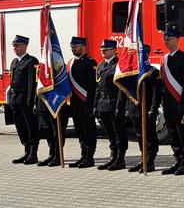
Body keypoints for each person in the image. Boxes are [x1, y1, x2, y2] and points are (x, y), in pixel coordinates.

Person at [160, 27, 184, 176]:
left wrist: (183, 103)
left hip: (180, 103)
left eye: (170, 39)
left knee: (183, 133)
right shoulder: (164, 59)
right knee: (173, 133)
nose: (167, 42)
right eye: (165, 39)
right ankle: (177, 160)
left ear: (177, 40)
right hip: (168, 103)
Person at [125, 45, 161, 173]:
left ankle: (150, 161)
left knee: (150, 136)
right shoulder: (133, 71)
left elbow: (158, 93)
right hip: (135, 109)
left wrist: (153, 109)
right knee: (140, 136)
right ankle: (143, 158)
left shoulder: (153, 72)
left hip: (147, 110)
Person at [95, 39, 128, 170]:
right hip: (102, 103)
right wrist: (95, 105)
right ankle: (112, 157)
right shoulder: (100, 66)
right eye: (102, 49)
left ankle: (120, 159)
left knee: (119, 132)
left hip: (114, 103)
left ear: (114, 50)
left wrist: (119, 107)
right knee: (110, 133)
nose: (103, 51)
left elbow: (121, 88)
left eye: (106, 49)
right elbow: (98, 87)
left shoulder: (119, 65)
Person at [65, 36, 97, 168]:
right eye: (72, 47)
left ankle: (90, 157)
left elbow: (92, 86)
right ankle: (83, 155)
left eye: (75, 47)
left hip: (86, 102)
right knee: (79, 130)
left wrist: (90, 105)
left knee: (88, 130)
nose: (73, 49)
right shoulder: (71, 62)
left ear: (83, 47)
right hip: (74, 103)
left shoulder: (90, 62)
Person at [7, 34, 39, 164]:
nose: (14, 47)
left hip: (25, 99)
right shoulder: (14, 62)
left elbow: (32, 83)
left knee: (30, 126)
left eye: (17, 45)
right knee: (20, 126)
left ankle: (33, 153)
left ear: (25, 46)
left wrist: (31, 101)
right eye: (14, 45)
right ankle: (26, 151)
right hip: (15, 99)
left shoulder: (31, 61)